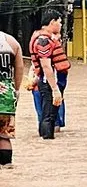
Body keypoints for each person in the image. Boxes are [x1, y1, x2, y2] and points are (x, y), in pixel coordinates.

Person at [30, 10, 70, 139]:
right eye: (59, 22)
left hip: (50, 79)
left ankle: (46, 140)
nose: (61, 25)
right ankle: (47, 138)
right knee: (49, 114)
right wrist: (55, 89)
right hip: (49, 80)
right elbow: (46, 65)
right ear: (52, 22)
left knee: (49, 113)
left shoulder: (45, 38)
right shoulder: (43, 41)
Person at [0, 31, 24, 166]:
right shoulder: (11, 41)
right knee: (4, 134)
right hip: (6, 94)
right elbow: (19, 68)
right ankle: (7, 165)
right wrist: (16, 90)